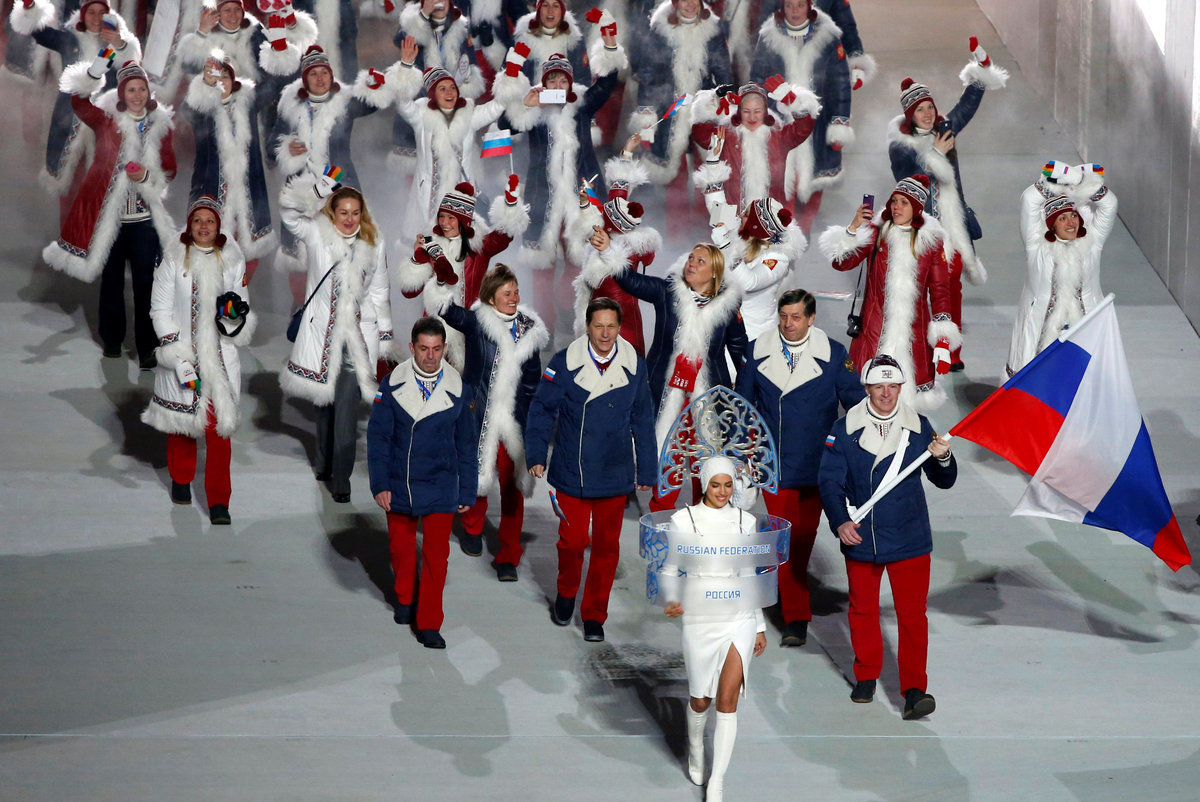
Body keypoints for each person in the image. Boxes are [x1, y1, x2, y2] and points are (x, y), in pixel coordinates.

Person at [817, 354, 955, 720]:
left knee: (912, 616)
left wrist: (943, 457)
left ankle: (915, 690)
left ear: (901, 388)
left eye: (893, 386)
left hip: (909, 535)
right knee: (863, 610)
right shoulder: (843, 429)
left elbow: (944, 480)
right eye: (879, 386)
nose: (886, 394)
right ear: (866, 388)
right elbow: (829, 482)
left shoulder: (919, 426)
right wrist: (839, 522)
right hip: (863, 535)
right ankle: (866, 676)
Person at [524, 298, 657, 642]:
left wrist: (647, 470)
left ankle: (595, 615)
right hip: (573, 469)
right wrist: (536, 453)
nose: (605, 333)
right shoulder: (565, 362)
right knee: (572, 542)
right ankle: (566, 592)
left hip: (614, 471)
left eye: (611, 326)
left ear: (620, 327)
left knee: (606, 548)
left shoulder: (634, 366)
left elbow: (643, 419)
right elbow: (542, 409)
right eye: (599, 326)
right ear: (587, 326)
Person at [735, 289, 862, 645]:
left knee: (803, 539)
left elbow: (855, 405)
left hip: (818, 466)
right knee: (784, 537)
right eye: (784, 316)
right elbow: (742, 405)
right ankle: (796, 617)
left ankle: (783, 589)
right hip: (773, 464)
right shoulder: (757, 351)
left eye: (796, 317)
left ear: (811, 319)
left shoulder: (834, 355)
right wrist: (741, 452)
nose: (788, 324)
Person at [43, 59, 177, 369]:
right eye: (131, 89)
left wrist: (147, 175)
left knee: (147, 284)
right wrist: (97, 68)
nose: (137, 95)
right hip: (110, 221)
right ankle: (113, 341)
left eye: (142, 89)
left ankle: (147, 347)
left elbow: (170, 168)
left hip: (144, 221)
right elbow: (79, 102)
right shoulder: (106, 121)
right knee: (112, 282)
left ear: (148, 92)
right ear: (121, 93)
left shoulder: (160, 125)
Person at [491, 33, 625, 336]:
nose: (557, 86)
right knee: (541, 268)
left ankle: (571, 315)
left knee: (582, 261)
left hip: (580, 199)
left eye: (562, 81)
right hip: (543, 199)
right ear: (544, 84)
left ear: (570, 84)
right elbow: (504, 126)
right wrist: (524, 105)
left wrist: (610, 45)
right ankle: (543, 332)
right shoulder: (535, 111)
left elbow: (607, 83)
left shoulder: (582, 105)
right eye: (551, 81)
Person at [887, 38, 1008, 370]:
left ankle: (951, 353)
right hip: (921, 230)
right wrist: (936, 155)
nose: (927, 114)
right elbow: (910, 183)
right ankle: (923, 352)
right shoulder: (900, 147)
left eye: (930, 107)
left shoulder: (943, 128)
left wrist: (982, 68)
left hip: (952, 229)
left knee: (951, 288)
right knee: (921, 291)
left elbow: (966, 106)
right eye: (920, 109)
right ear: (909, 115)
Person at [278, 171, 396, 503]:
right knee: (324, 402)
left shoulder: (375, 241)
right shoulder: (317, 232)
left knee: (346, 405)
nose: (349, 219)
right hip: (322, 333)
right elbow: (289, 213)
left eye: (355, 213)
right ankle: (323, 462)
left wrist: (384, 337)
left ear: (362, 214)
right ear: (332, 212)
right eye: (343, 212)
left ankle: (341, 480)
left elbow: (379, 290)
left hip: (356, 335)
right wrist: (318, 190)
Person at [141, 197, 254, 525]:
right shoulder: (173, 258)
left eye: (210, 221)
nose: (204, 226)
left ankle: (219, 501)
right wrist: (177, 355)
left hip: (220, 358)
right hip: (182, 353)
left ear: (218, 227)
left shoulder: (232, 260)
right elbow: (159, 309)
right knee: (181, 422)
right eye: (197, 221)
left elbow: (241, 306)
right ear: (189, 226)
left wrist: (233, 316)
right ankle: (180, 479)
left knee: (220, 430)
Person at [367, 317, 478, 649]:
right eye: (424, 349)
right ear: (412, 348)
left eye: (437, 349)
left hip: (441, 484)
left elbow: (467, 444)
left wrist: (467, 489)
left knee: (436, 557)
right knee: (401, 550)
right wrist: (380, 484)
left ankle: (429, 623)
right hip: (399, 480)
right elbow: (378, 438)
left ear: (444, 349)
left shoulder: (459, 389)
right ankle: (404, 598)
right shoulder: (391, 385)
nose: (431, 356)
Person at [610, 242, 747, 509]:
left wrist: (740, 395)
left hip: (708, 398)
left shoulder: (728, 305)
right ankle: (659, 519)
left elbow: (740, 350)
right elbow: (630, 281)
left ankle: (705, 521)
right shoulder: (666, 291)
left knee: (706, 463)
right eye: (691, 258)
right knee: (667, 458)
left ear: (715, 272)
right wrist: (608, 252)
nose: (691, 263)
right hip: (666, 393)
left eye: (700, 261)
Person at [663, 456, 767, 802]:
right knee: (700, 700)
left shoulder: (745, 521)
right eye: (715, 485)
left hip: (738, 617)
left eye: (728, 484)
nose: (722, 492)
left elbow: (749, 574)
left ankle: (717, 782)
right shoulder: (684, 520)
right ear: (704, 485)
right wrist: (671, 599)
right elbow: (669, 569)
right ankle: (696, 748)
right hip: (700, 617)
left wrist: (759, 625)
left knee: (727, 701)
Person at [439, 264, 549, 580]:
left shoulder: (530, 330)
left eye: (516, 291)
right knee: (477, 472)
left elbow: (532, 382)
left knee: (513, 488)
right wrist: (441, 275)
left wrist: (532, 423)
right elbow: (447, 311)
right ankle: (472, 529)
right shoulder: (477, 322)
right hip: (479, 413)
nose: (514, 298)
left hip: (513, 421)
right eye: (506, 293)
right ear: (491, 298)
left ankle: (508, 556)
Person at [818, 175, 958, 411]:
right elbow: (841, 263)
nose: (896, 207)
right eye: (894, 201)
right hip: (874, 332)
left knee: (908, 405)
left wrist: (943, 340)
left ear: (917, 207)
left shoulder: (931, 242)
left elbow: (941, 291)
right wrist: (853, 229)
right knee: (867, 400)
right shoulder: (876, 233)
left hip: (914, 336)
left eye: (904, 202)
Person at [273, 45, 392, 282]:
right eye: (313, 74)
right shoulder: (290, 105)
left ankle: (342, 301)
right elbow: (271, 144)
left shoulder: (344, 101)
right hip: (302, 190)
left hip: (340, 186)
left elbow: (372, 102)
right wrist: (287, 147)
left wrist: (374, 84)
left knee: (344, 254)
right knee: (302, 258)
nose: (320, 78)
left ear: (331, 75)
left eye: (324, 73)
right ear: (305, 79)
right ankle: (302, 303)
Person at [9, 0, 141, 202]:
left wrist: (120, 44)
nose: (96, 18)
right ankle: (65, 222)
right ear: (82, 15)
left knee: (100, 192)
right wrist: (30, 7)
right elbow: (40, 33)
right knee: (68, 189)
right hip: (69, 122)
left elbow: (132, 72)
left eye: (101, 13)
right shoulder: (70, 39)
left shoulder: (117, 44)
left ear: (108, 16)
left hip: (104, 128)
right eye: (91, 12)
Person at [395, 178, 530, 369]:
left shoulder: (480, 247)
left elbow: (504, 235)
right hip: (435, 332)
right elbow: (409, 292)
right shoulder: (431, 245)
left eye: (451, 218)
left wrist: (510, 204)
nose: (444, 223)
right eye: (442, 216)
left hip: (469, 330)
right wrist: (417, 257)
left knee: (468, 380)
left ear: (464, 221)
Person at [628, 0, 732, 234]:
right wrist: (647, 113)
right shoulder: (660, 28)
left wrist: (725, 101)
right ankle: (677, 234)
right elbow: (648, 74)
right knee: (674, 171)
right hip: (669, 108)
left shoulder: (713, 28)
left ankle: (708, 232)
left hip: (705, 108)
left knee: (710, 170)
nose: (690, 4)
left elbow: (723, 71)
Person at [749, 0, 853, 234]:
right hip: (780, 124)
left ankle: (803, 232)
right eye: (789, 5)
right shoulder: (768, 37)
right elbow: (757, 79)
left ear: (809, 6)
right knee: (781, 182)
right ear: (781, 8)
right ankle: (783, 235)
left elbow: (840, 84)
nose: (794, 11)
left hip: (819, 124)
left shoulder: (829, 38)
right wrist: (762, 111)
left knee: (814, 183)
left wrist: (840, 121)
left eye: (799, 5)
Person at [1005, 161, 1117, 377]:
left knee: (1084, 382)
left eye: (1074, 216)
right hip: (1040, 330)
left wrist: (1084, 183)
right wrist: (1057, 181)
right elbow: (1029, 200)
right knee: (1037, 383)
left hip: (1086, 325)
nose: (1070, 223)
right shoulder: (1036, 246)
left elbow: (1110, 205)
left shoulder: (1093, 243)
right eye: (1062, 218)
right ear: (1051, 225)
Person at [183, 51, 276, 276]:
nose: (221, 82)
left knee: (248, 257)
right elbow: (188, 110)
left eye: (225, 77)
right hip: (212, 190)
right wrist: (205, 85)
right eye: (216, 78)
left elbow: (272, 86)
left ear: (234, 81)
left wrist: (278, 46)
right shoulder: (203, 110)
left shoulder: (248, 103)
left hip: (248, 193)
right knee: (211, 254)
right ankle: (217, 294)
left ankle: (238, 293)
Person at [568, 146, 661, 355]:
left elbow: (609, 206)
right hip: (600, 309)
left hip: (620, 314)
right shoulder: (612, 232)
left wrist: (586, 204)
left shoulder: (626, 247)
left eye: (605, 212)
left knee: (623, 355)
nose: (602, 210)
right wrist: (626, 154)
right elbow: (617, 194)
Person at [690, 79, 818, 218]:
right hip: (730, 214)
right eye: (746, 111)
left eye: (757, 111)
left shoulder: (779, 136)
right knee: (725, 231)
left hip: (771, 215)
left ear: (765, 112)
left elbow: (803, 128)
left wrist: (792, 101)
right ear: (739, 111)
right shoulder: (726, 134)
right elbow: (701, 134)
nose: (752, 117)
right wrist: (713, 101)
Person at [389, 1, 485, 170]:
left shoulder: (460, 25)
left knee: (454, 166)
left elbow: (471, 64)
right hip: (420, 106)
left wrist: (467, 84)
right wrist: (423, 16)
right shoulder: (412, 19)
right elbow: (400, 39)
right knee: (418, 168)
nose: (438, 2)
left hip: (452, 104)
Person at [703, 189, 806, 341]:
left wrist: (726, 246)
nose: (740, 216)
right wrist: (713, 180)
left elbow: (750, 282)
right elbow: (718, 211)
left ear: (756, 225)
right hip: (726, 330)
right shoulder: (741, 234)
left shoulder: (778, 258)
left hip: (754, 337)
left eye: (746, 214)